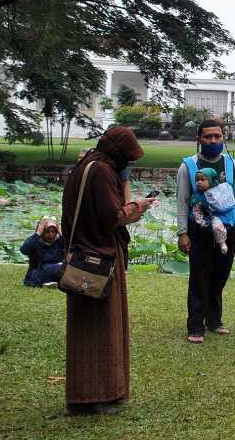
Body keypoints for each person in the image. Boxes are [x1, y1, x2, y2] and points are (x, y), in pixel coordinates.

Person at [61, 126, 154, 415]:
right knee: (100, 326)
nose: (128, 163)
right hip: (98, 259)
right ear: (118, 151)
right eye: (128, 157)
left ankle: (96, 393)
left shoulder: (87, 164)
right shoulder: (101, 171)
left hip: (86, 254)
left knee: (91, 326)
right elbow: (112, 216)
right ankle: (93, 396)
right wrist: (137, 206)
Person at [177, 118, 235, 344]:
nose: (213, 140)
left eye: (217, 136)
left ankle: (214, 321)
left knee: (219, 276)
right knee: (199, 278)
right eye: (208, 137)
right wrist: (182, 233)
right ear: (199, 139)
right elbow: (182, 202)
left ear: (223, 138)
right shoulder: (188, 166)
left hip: (227, 231)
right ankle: (196, 326)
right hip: (199, 232)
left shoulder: (232, 165)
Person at [189, 167, 235, 254]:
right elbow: (196, 211)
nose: (199, 182)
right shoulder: (199, 196)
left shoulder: (221, 187)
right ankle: (222, 243)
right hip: (217, 214)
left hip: (232, 209)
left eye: (202, 179)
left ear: (211, 180)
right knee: (217, 227)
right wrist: (203, 223)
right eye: (197, 180)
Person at [20, 217, 65, 287]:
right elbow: (23, 250)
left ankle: (52, 282)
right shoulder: (35, 241)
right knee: (51, 268)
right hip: (38, 273)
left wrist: (61, 233)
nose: (51, 235)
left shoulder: (59, 242)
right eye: (47, 232)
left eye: (53, 232)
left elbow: (71, 248)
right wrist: (38, 233)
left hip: (57, 270)